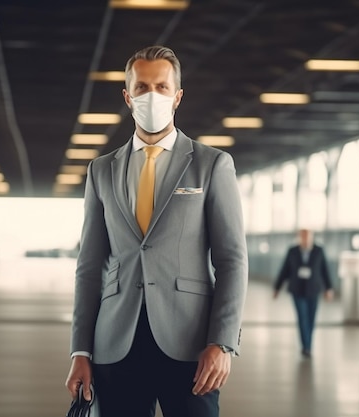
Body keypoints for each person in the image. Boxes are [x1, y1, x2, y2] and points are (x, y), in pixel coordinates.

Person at [65, 45, 248, 417]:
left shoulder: (211, 165)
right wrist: (80, 351)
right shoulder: (102, 171)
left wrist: (222, 342)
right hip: (115, 344)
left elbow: (232, 260)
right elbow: (89, 267)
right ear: (127, 96)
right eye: (142, 87)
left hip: (192, 345)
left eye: (162, 87)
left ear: (177, 96)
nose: (152, 96)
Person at [273, 229, 333, 358]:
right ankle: (306, 347)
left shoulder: (318, 251)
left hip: (313, 290)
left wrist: (328, 288)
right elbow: (285, 270)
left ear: (312, 238)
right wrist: (277, 288)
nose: (305, 240)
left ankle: (309, 345)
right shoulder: (293, 251)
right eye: (303, 237)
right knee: (302, 317)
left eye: (308, 237)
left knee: (311, 318)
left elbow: (325, 270)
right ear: (299, 238)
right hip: (297, 290)